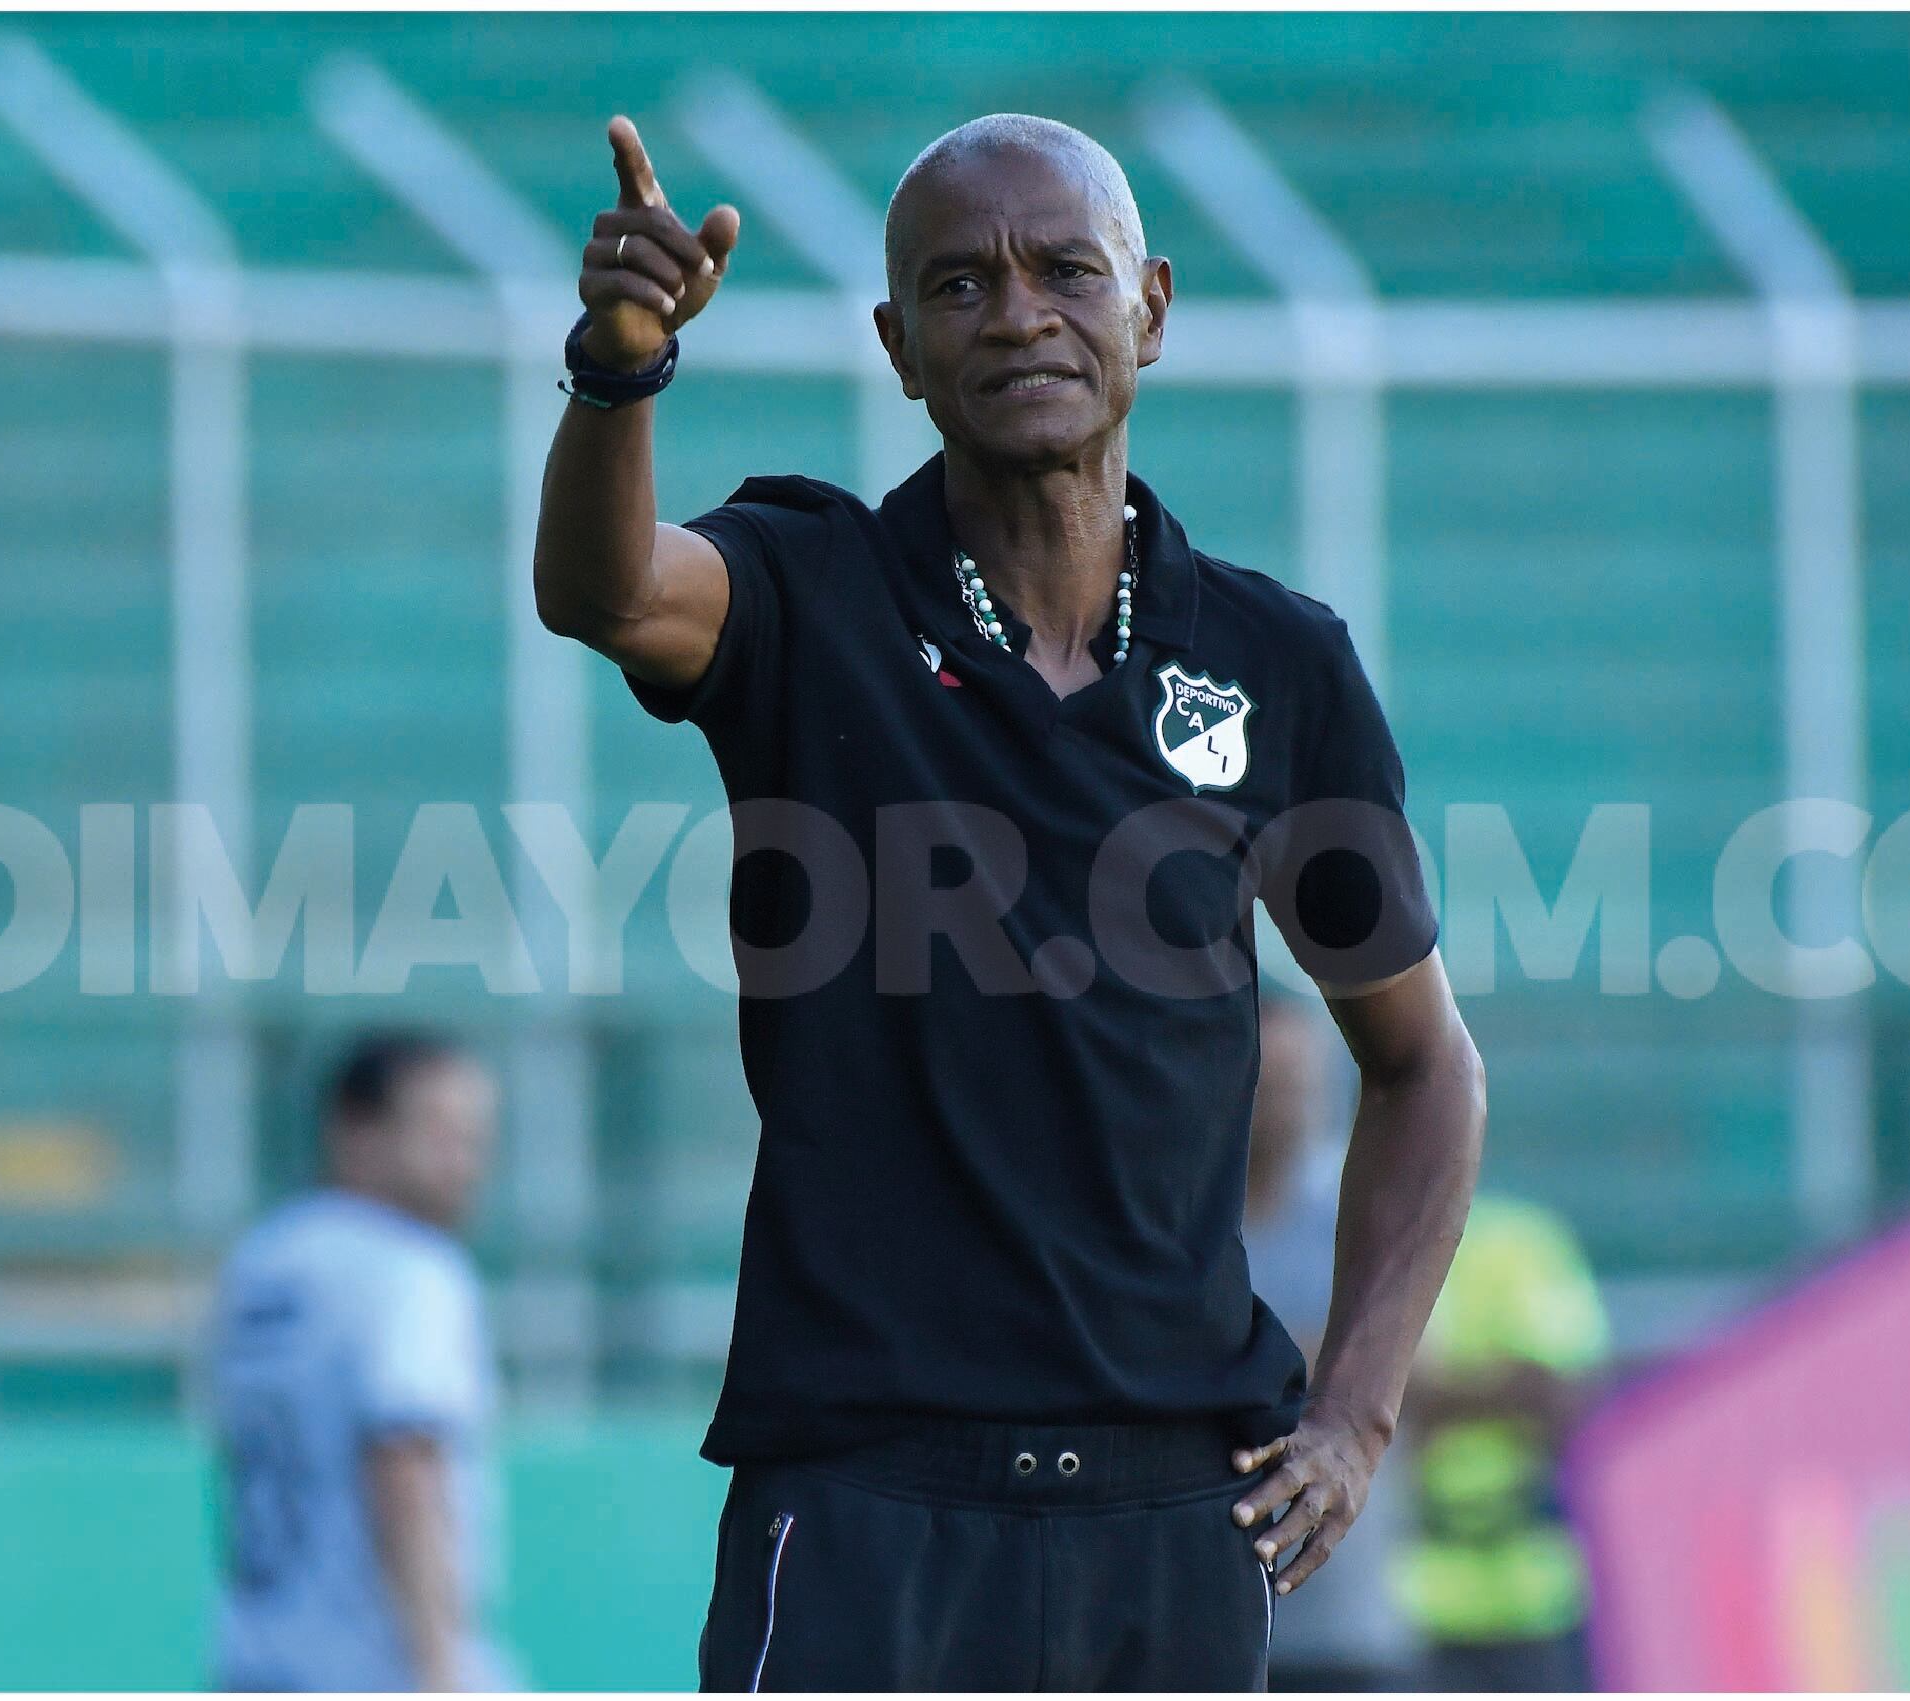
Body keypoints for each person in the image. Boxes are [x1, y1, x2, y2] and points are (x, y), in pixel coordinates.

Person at [534, 110, 1486, 1691]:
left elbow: (1425, 1063)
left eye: (1066, 269)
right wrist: (622, 361)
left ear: (1152, 309)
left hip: (1175, 1508)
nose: (1021, 312)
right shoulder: (808, 588)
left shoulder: (1278, 661)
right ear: (900, 347)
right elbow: (607, 588)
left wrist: (1355, 1409)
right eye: (962, 286)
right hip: (861, 1495)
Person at [208, 1032, 513, 1692]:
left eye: (476, 1137)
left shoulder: (263, 1261)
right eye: (439, 1132)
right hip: (376, 1666)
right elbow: (405, 1462)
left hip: (257, 1659)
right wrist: (441, 1668)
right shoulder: (411, 1267)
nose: (466, 1162)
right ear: (355, 1130)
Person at [1242, 990, 1423, 1691]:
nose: (1285, 1106)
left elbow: (1402, 1360)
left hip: (1349, 1622)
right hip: (1212, 1614)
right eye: (1269, 1085)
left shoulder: (1357, 1211)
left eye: (1298, 1085)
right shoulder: (1180, 1219)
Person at [1395, 1195, 1610, 1691]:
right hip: (1403, 1607)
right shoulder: (1345, 1233)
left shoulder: (1516, 1241)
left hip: (1528, 1594)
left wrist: (1419, 1393)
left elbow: (1558, 1394)